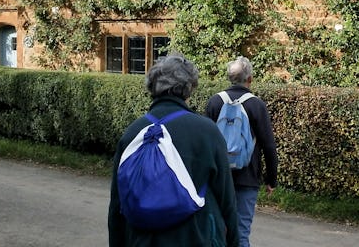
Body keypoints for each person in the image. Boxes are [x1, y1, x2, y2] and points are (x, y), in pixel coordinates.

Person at [108, 54, 239, 247]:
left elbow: (117, 206)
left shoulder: (132, 133)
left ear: (152, 86)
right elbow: (227, 200)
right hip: (195, 237)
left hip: (140, 240)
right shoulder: (206, 132)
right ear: (189, 88)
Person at [204, 56, 278, 247]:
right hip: (247, 178)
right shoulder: (256, 105)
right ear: (250, 79)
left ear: (229, 77)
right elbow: (269, 145)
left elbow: (206, 143)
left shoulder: (215, 102)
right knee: (241, 233)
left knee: (217, 232)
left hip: (219, 178)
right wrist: (271, 179)